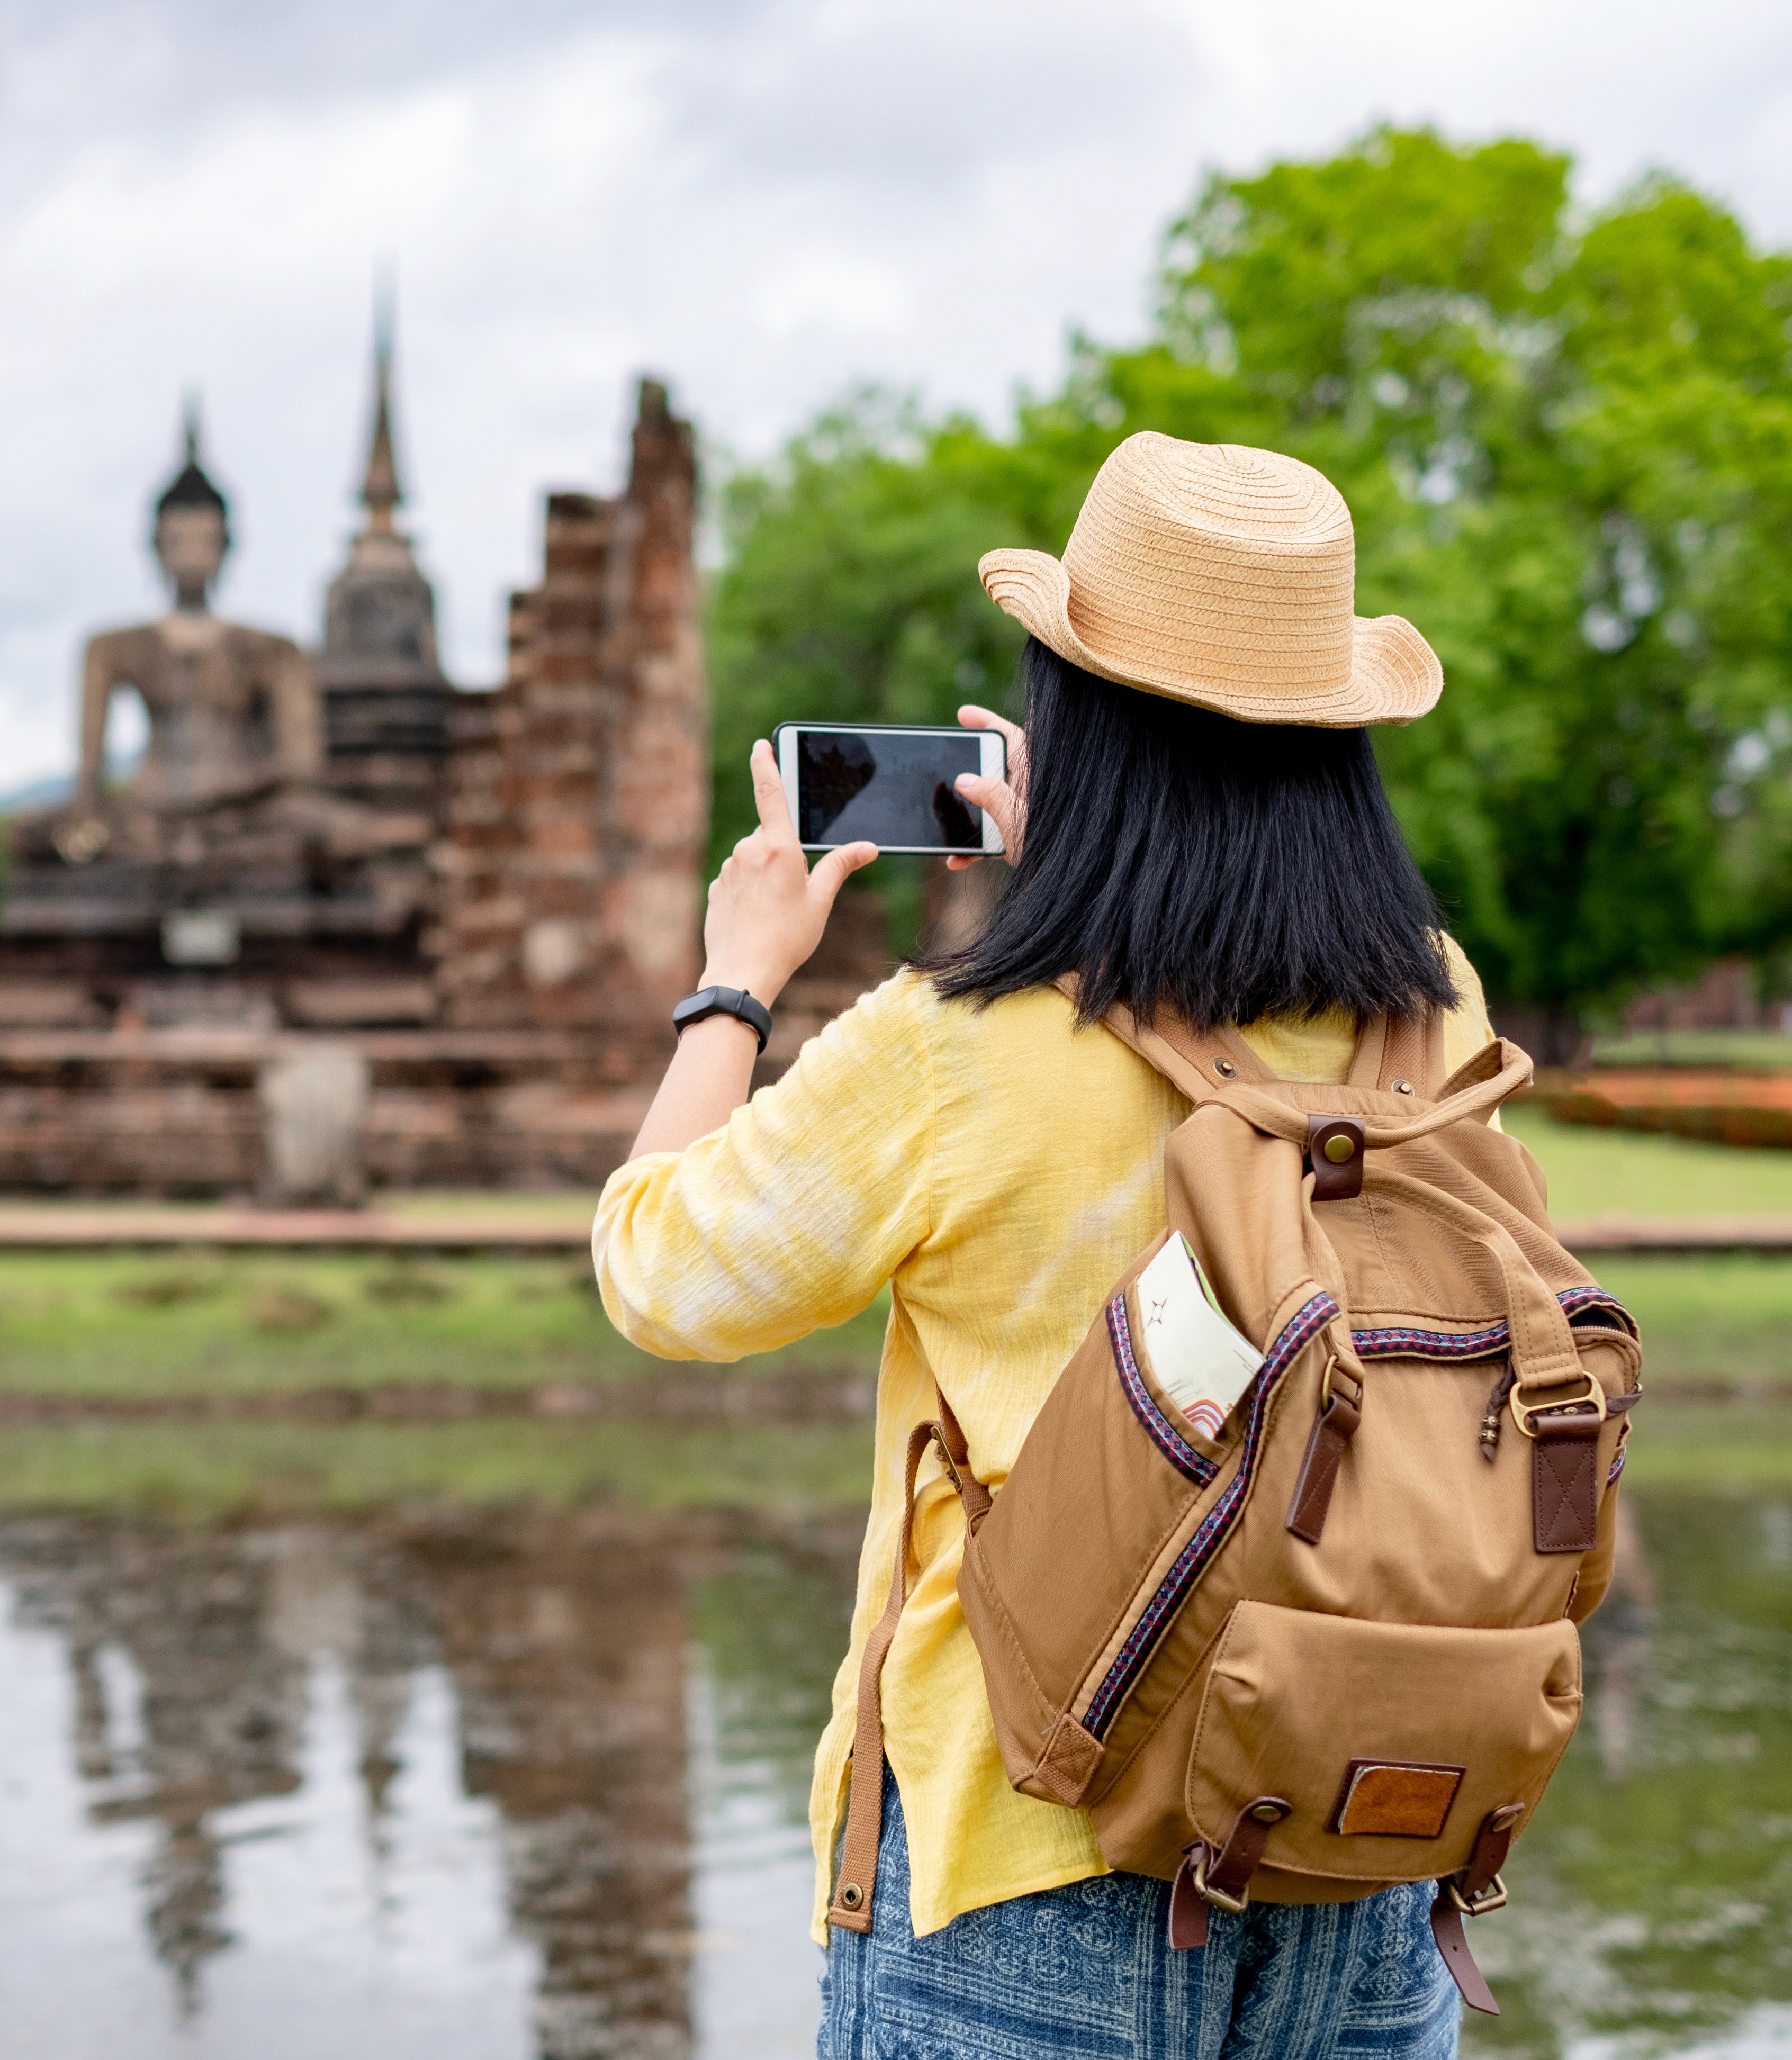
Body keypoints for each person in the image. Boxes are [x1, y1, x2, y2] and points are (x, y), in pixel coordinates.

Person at [596, 435, 1494, 2058]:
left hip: (1031, 1843)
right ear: (1337, 737)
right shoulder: (1429, 1003)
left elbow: (658, 1269)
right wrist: (1081, 885)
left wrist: (737, 979)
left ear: (1073, 715)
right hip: (1360, 1827)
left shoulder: (961, 1047)